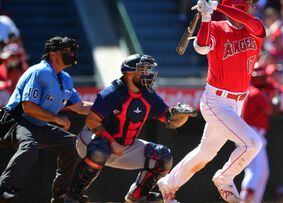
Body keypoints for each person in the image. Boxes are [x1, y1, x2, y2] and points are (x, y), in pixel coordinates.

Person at [157, 0, 265, 202]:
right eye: (249, 3)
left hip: (236, 103)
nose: (254, 6)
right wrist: (206, 17)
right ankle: (225, 177)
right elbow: (201, 47)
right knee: (253, 144)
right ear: (239, 6)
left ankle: (168, 184)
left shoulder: (254, 27)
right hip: (217, 101)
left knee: (205, 153)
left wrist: (216, 6)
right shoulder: (216, 27)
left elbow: (248, 20)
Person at [64, 54, 195, 203]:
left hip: (125, 146)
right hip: (93, 140)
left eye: (148, 69)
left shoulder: (149, 95)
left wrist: (183, 115)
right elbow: (92, 121)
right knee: (100, 151)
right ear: (129, 73)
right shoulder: (111, 93)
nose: (148, 73)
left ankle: (137, 196)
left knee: (163, 156)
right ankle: (73, 196)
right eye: (143, 69)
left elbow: (171, 121)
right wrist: (112, 143)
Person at [0, 36, 93, 202]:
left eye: (72, 51)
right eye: (67, 51)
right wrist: (57, 118)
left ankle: (62, 195)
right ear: (53, 53)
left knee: (74, 146)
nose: (71, 54)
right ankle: (4, 190)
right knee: (30, 148)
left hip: (39, 125)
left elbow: (79, 106)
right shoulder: (38, 72)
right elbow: (27, 106)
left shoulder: (65, 78)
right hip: (16, 121)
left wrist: (107, 107)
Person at [239, 65, 277, 203]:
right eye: (259, 76)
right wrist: (270, 92)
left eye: (263, 76)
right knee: (256, 170)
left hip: (253, 135)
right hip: (251, 134)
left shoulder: (252, 90)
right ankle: (245, 199)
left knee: (263, 173)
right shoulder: (254, 92)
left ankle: (253, 200)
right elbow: (270, 109)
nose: (263, 79)